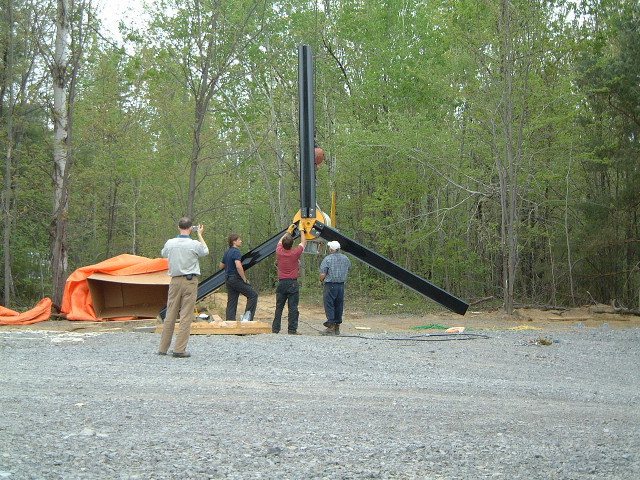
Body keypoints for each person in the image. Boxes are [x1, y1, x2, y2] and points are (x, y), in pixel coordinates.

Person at [158, 217, 209, 358]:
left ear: (178, 227)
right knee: (186, 315)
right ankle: (179, 349)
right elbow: (205, 251)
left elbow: (164, 253)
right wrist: (200, 234)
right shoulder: (194, 244)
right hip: (190, 281)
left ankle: (163, 348)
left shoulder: (170, 243)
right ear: (191, 228)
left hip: (174, 281)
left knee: (170, 314)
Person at [272, 225, 307, 334]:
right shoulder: (295, 253)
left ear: (283, 244)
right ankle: (292, 329)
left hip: (282, 283)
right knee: (293, 308)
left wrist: (288, 232)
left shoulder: (279, 251)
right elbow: (303, 242)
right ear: (292, 244)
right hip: (292, 283)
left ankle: (275, 329)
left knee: (279, 307)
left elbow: (279, 241)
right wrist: (301, 230)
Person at [220, 233, 258, 322]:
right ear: (234, 241)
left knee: (232, 302)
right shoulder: (236, 251)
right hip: (235, 278)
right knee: (253, 295)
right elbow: (238, 266)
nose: (241, 241)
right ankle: (247, 320)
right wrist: (244, 279)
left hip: (228, 279)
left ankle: (230, 322)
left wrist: (229, 264)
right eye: (239, 240)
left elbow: (221, 266)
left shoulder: (228, 252)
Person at [319, 240, 351, 335]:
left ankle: (331, 325)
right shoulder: (346, 259)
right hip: (341, 285)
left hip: (330, 284)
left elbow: (323, 273)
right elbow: (349, 268)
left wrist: (321, 280)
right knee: (339, 305)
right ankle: (337, 326)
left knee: (329, 305)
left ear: (332, 249)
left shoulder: (327, 259)